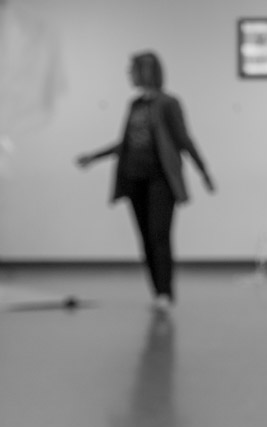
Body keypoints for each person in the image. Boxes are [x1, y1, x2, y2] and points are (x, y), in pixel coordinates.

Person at [75, 51, 213, 311]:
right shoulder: (135, 105)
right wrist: (94, 157)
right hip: (133, 179)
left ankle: (165, 293)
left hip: (161, 181)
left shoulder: (168, 103)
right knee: (146, 238)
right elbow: (125, 144)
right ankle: (157, 292)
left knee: (159, 235)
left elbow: (183, 139)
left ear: (147, 71)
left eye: (133, 70)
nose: (129, 75)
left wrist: (203, 171)